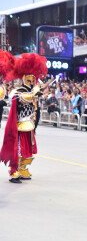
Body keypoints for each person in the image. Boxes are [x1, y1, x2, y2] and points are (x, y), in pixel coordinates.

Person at [0, 52, 48, 183]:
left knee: (28, 150)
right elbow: (23, 98)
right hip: (19, 125)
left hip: (29, 124)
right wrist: (34, 94)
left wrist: (37, 91)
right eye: (30, 79)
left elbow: (33, 97)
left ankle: (22, 168)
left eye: (33, 80)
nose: (32, 82)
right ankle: (14, 171)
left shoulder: (31, 91)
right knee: (18, 150)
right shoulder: (17, 92)